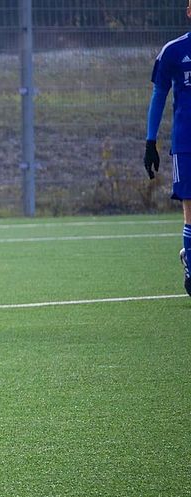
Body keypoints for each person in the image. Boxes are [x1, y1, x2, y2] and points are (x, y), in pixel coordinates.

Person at [144, 0, 191, 298]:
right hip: (186, 145)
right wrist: (151, 142)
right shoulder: (173, 51)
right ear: (189, 12)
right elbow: (159, 94)